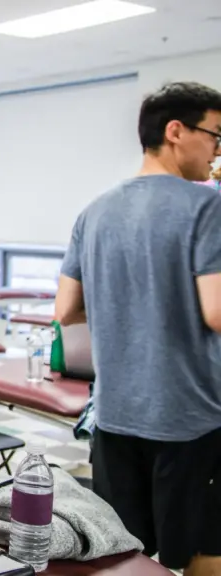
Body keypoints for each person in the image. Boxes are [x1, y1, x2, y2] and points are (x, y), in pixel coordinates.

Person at [55, 81, 221, 576]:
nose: (216, 152)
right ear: (176, 131)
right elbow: (216, 312)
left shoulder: (95, 211)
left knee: (123, 553)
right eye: (215, 136)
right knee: (202, 553)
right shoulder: (207, 206)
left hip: (114, 418)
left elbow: (66, 309)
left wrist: (129, 306)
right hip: (189, 421)